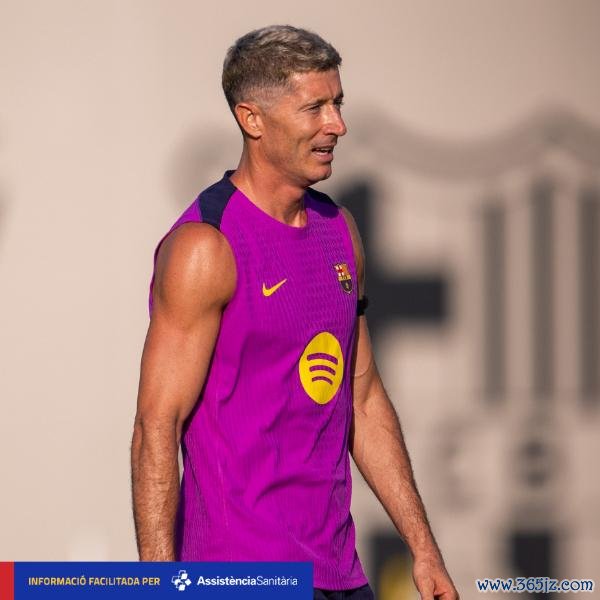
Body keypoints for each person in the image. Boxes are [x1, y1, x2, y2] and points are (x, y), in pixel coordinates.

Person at [131, 25, 458, 600]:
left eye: (338, 103)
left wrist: (424, 548)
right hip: (239, 575)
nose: (337, 125)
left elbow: (363, 399)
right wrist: (160, 588)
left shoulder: (340, 230)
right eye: (315, 108)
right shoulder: (206, 248)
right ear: (252, 119)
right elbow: (155, 428)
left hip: (339, 573)